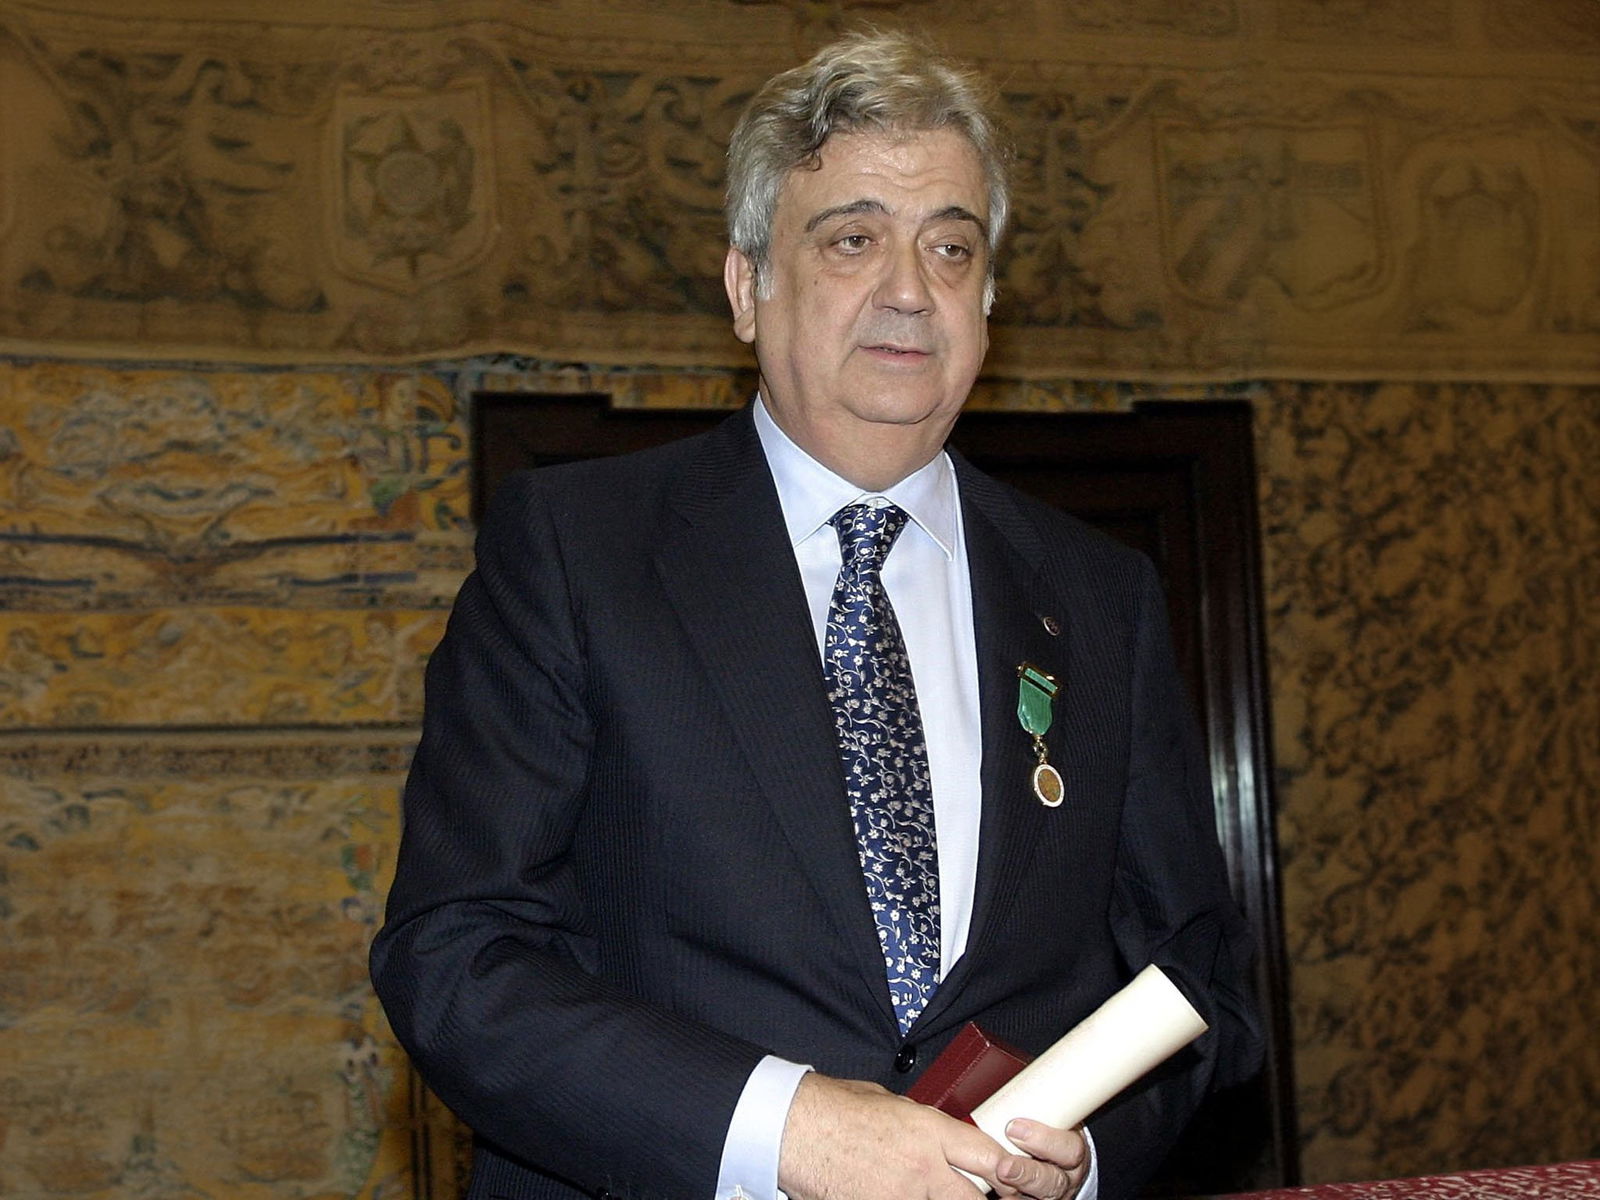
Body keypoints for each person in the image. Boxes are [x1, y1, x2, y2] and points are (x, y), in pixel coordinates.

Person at [370, 29, 1262, 1200]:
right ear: (748, 287)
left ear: (988, 301)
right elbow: (455, 960)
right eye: (852, 239)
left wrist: (1085, 1156)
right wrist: (788, 1131)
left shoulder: (1099, 596)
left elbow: (1199, 979)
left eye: (951, 247)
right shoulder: (577, 551)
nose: (910, 290)